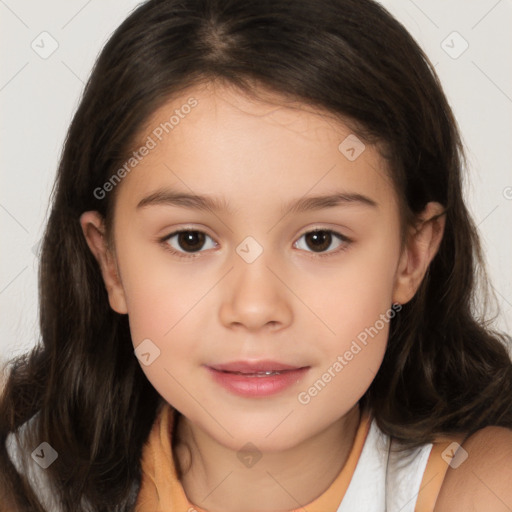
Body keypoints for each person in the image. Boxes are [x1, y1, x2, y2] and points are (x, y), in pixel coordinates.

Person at [1, 0, 512, 510]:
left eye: (319, 239)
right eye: (191, 240)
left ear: (411, 256)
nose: (254, 307)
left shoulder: (482, 489)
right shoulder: (30, 481)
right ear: (110, 263)